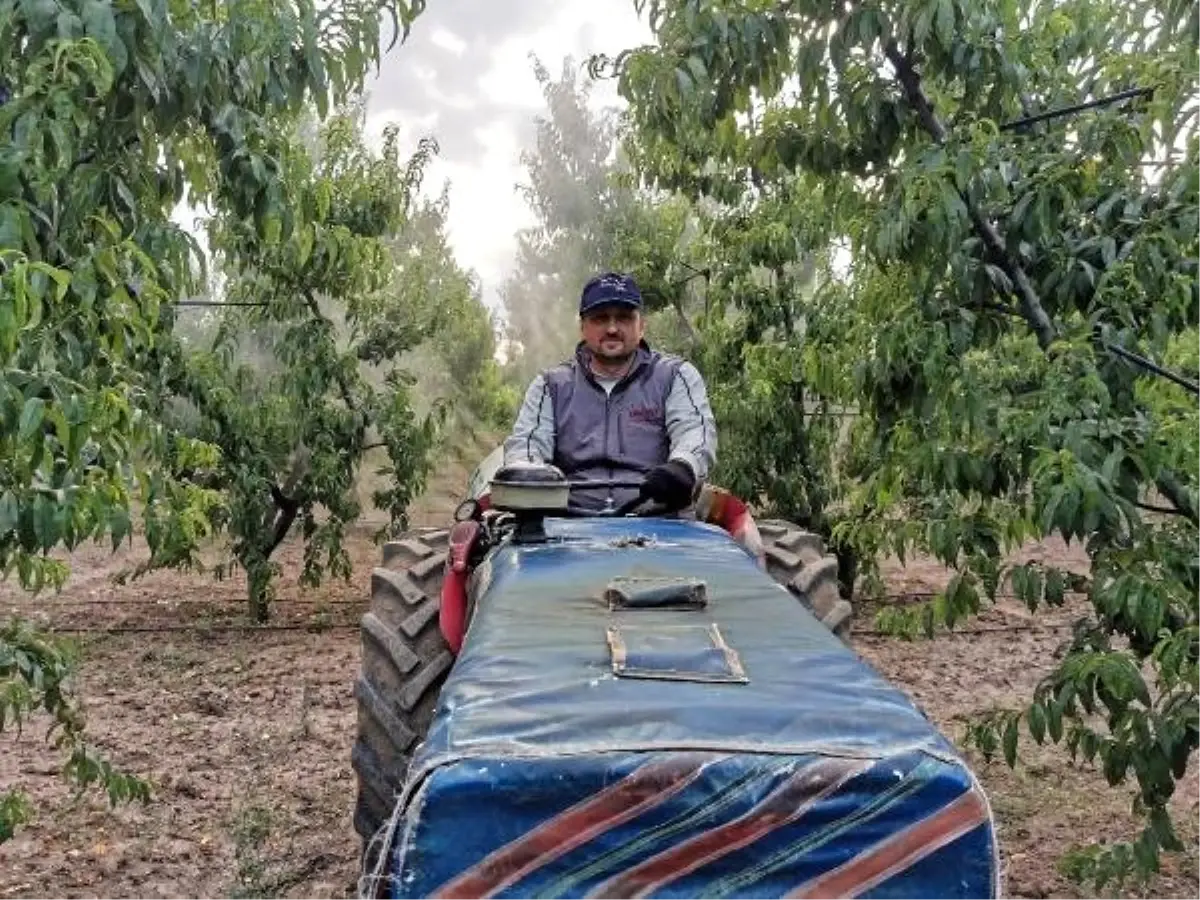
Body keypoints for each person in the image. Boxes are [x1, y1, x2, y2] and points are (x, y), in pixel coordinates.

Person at [503, 271, 717, 514]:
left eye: (624, 318)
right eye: (600, 318)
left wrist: (683, 466)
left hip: (660, 525)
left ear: (641, 326)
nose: (612, 328)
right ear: (583, 327)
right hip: (566, 526)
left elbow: (695, 433)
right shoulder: (549, 385)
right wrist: (529, 474)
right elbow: (527, 446)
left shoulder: (676, 376)